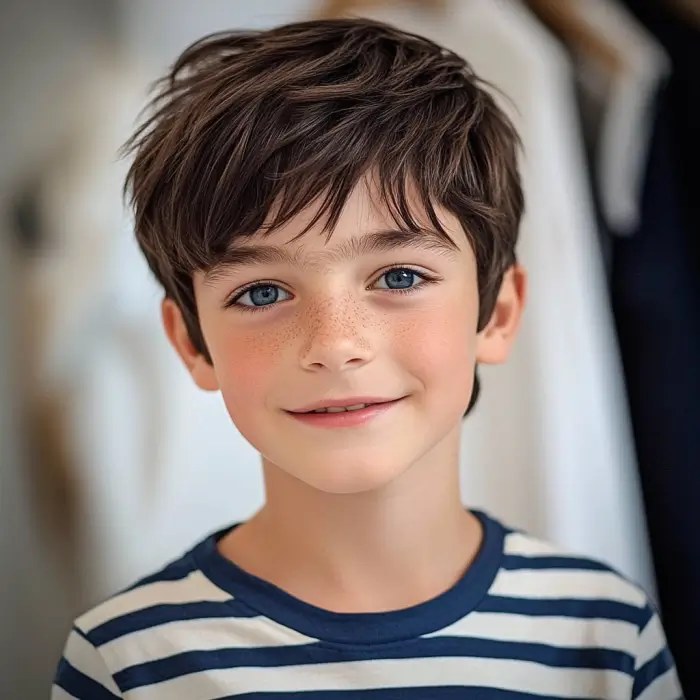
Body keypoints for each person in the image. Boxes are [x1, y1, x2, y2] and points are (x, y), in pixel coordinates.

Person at [51, 18, 683, 699]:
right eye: (261, 291)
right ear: (192, 344)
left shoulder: (603, 632)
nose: (335, 344)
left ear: (496, 314)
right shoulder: (129, 660)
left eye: (400, 277)